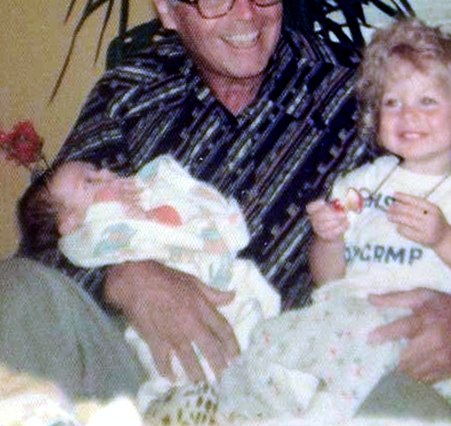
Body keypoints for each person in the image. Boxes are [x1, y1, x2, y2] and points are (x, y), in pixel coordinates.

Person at [1, 0, 451, 413]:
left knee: (407, 411)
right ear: (168, 9)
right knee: (16, 293)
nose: (247, 12)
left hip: (311, 371)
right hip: (143, 367)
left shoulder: (359, 97)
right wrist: (125, 277)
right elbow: (45, 239)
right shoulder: (129, 94)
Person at [216, 17, 451, 421]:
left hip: (416, 339)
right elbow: (328, 277)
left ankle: (321, 415)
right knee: (266, 336)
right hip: (345, 320)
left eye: (427, 101)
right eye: (392, 102)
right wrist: (328, 238)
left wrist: (444, 238)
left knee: (360, 339)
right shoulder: (361, 183)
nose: (407, 114)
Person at [18, 155, 280, 405]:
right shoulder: (91, 234)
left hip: (214, 286)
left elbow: (173, 220)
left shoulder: (138, 193)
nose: (106, 172)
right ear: (69, 224)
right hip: (171, 334)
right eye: (89, 181)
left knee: (251, 326)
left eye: (97, 169)